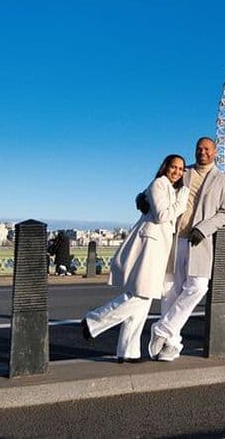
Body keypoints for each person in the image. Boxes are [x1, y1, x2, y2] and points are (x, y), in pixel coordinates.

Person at [81, 154, 189, 363]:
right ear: (165, 167)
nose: (177, 171)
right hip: (150, 244)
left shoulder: (169, 187)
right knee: (141, 295)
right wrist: (183, 201)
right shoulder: (159, 183)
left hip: (158, 246)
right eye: (173, 167)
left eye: (180, 169)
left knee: (142, 298)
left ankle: (128, 351)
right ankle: (93, 321)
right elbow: (162, 215)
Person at [146, 137, 225, 362]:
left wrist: (204, 228)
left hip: (199, 242)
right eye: (198, 149)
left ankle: (162, 330)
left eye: (206, 149)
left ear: (215, 152)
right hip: (175, 238)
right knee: (170, 292)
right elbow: (160, 187)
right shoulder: (184, 173)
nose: (202, 152)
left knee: (198, 286)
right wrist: (143, 198)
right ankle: (172, 345)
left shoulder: (224, 181)